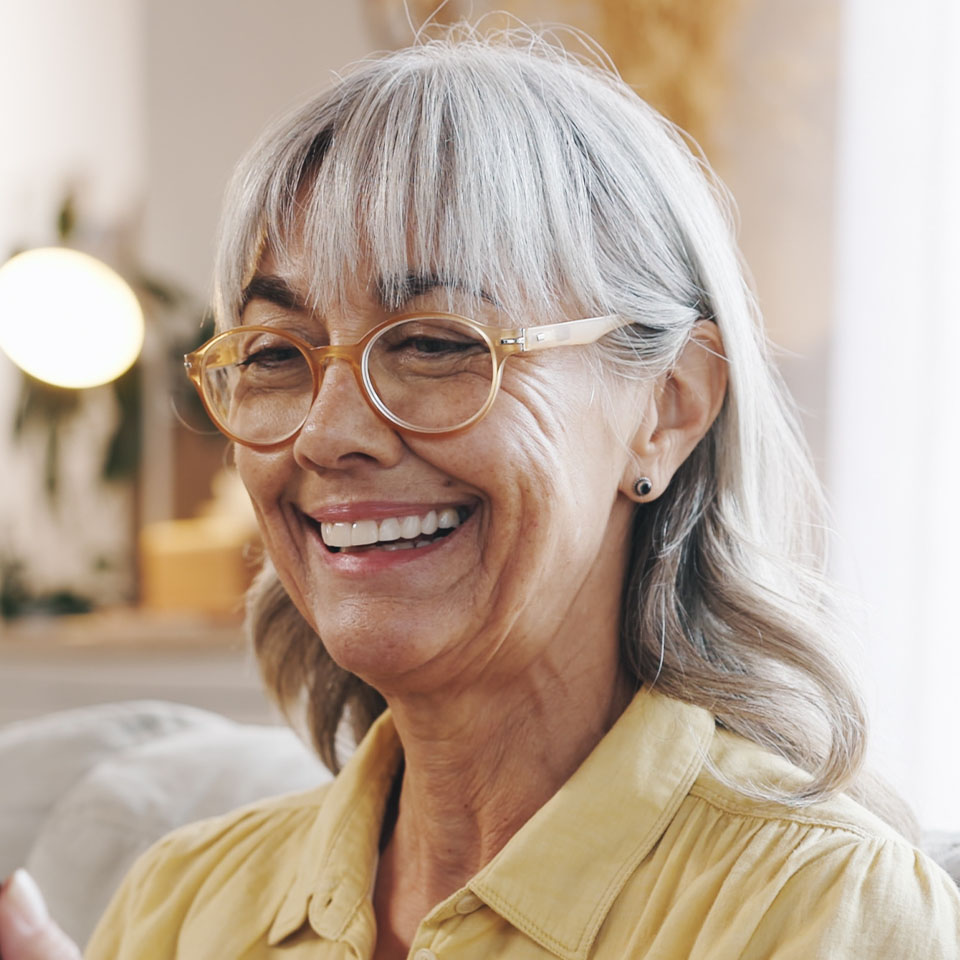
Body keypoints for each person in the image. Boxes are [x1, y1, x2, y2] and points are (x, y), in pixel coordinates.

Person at [2, 24, 958, 960]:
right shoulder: (180, 901)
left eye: (434, 344)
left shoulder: (825, 911)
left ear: (669, 407)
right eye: (275, 356)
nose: (329, 432)